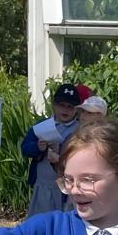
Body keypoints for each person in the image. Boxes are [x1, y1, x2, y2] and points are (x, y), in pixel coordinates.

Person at [20, 82, 90, 216]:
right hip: (44, 184)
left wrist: (62, 157)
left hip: (69, 186)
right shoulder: (42, 126)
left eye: (70, 107)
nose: (65, 110)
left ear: (76, 109)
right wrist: (37, 147)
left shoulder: (80, 129)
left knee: (66, 219)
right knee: (41, 220)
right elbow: (24, 148)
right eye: (61, 105)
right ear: (54, 105)